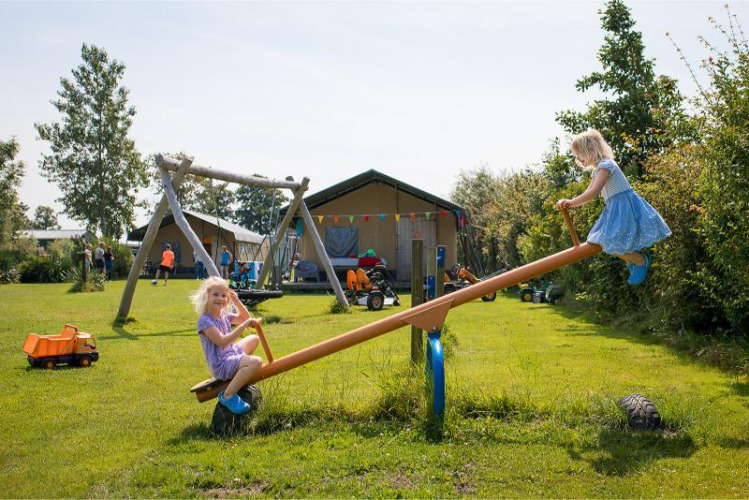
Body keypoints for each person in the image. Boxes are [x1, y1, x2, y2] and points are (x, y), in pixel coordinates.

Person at [555, 129, 671, 285]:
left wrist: (571, 202)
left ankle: (639, 260)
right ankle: (635, 259)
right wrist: (571, 202)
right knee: (601, 241)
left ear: (589, 150)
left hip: (624, 207)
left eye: (579, 154)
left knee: (608, 240)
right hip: (615, 208)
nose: (577, 158)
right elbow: (588, 192)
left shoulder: (606, 165)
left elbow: (594, 192)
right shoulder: (597, 171)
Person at [190, 276, 263, 414]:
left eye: (224, 295)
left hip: (231, 353)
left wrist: (236, 300)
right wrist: (243, 326)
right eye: (215, 295)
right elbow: (222, 342)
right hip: (221, 364)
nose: (220, 298)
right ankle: (228, 395)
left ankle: (241, 370)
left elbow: (246, 318)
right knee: (256, 362)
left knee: (254, 339)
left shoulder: (223, 314)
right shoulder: (205, 321)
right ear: (207, 297)